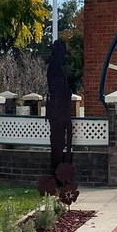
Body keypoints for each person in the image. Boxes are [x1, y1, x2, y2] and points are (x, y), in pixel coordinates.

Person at [45, 39, 73, 174]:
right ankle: (56, 173)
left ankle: (60, 172)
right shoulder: (53, 69)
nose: (63, 57)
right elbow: (57, 93)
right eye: (62, 54)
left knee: (61, 144)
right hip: (58, 113)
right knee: (57, 144)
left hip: (62, 112)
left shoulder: (58, 69)